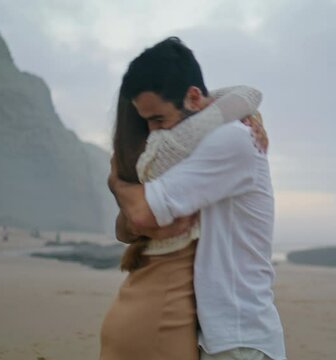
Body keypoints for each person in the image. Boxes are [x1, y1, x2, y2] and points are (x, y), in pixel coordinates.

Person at [106, 37, 286, 360]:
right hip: (220, 338)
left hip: (241, 341)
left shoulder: (232, 139)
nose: (154, 133)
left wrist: (116, 181)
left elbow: (142, 214)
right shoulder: (196, 146)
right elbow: (126, 228)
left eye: (158, 119)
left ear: (192, 97)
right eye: (146, 122)